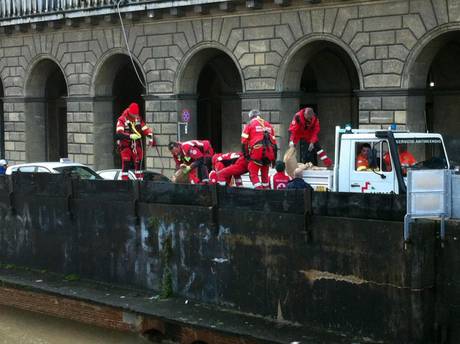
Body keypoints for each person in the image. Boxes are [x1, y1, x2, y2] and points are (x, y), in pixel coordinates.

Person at [115, 103, 155, 180]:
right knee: (126, 163)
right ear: (130, 112)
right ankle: (124, 179)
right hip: (126, 145)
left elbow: (144, 128)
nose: (135, 116)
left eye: (136, 114)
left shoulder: (138, 118)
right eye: (134, 114)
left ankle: (140, 180)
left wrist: (150, 135)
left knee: (139, 162)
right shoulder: (122, 119)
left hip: (136, 145)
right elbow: (119, 133)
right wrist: (130, 136)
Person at [241, 109, 277, 189]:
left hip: (257, 152)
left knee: (253, 173)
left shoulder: (249, 124)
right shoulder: (268, 125)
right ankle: (266, 192)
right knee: (265, 175)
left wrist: (246, 155)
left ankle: (259, 191)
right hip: (269, 153)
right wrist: (274, 159)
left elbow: (244, 142)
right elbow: (274, 143)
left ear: (250, 117)